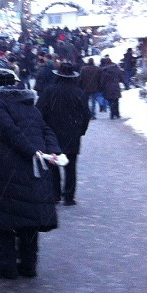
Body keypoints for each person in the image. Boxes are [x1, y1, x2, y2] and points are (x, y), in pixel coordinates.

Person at [0, 72, 61, 279]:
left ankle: (6, 265)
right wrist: (50, 152)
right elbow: (48, 130)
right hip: (35, 168)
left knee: (5, 219)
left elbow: (10, 132)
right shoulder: (28, 105)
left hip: (9, 168)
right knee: (28, 219)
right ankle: (28, 264)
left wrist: (31, 151)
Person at [38, 62, 90, 206]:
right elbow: (86, 114)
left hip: (52, 133)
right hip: (72, 134)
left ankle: (55, 194)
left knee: (53, 164)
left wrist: (42, 130)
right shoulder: (79, 92)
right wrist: (81, 131)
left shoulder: (49, 91)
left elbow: (39, 111)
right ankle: (69, 196)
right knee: (71, 166)